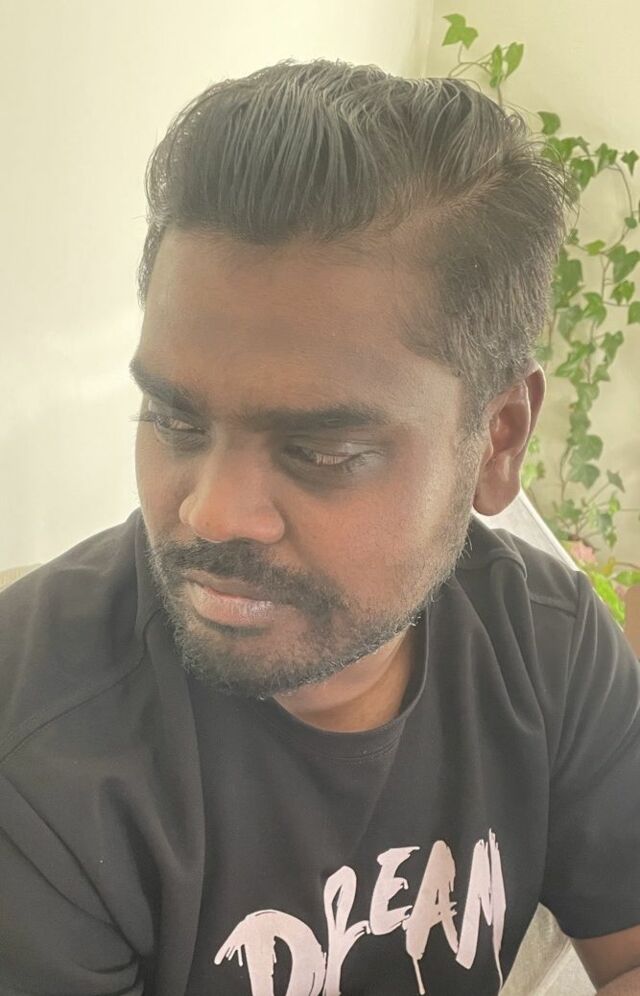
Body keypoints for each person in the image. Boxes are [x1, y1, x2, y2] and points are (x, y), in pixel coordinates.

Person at [1, 59, 639, 996]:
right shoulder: (39, 745)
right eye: (175, 420)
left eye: (322, 451)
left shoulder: (546, 644)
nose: (210, 512)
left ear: (497, 440)